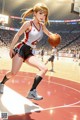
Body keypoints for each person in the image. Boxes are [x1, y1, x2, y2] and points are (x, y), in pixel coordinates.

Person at [0, 3, 55, 100]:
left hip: (30, 51)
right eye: (41, 13)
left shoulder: (42, 26)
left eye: (45, 14)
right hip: (21, 48)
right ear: (35, 13)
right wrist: (11, 48)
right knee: (13, 73)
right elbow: (17, 35)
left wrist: (56, 37)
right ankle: (1, 83)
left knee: (44, 68)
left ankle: (32, 92)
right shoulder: (28, 24)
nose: (43, 16)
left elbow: (49, 34)